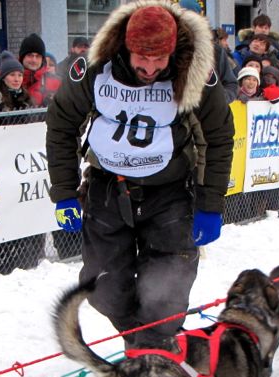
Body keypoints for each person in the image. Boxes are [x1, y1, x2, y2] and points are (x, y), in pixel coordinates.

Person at [46, 2, 234, 349]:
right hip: (107, 188)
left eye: (159, 59)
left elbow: (218, 136)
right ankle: (147, 346)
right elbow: (61, 125)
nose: (149, 68)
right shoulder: (94, 69)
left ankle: (151, 354)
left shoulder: (194, 72)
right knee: (102, 290)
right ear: (125, 47)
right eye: (142, 58)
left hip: (169, 193)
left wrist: (210, 205)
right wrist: (65, 193)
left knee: (165, 297)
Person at [19, 33, 61, 106]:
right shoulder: (11, 80)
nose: (34, 60)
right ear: (22, 57)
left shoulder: (57, 82)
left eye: (38, 56)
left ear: (42, 59)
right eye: (30, 55)